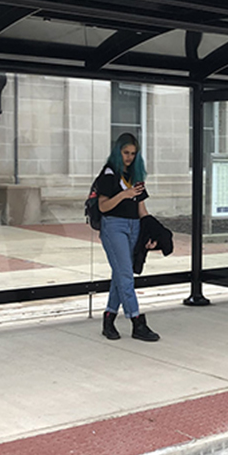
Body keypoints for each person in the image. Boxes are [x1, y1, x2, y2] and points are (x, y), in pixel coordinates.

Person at [96, 132, 160, 342]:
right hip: (114, 226)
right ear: (118, 151)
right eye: (125, 152)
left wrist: (151, 230)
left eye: (133, 153)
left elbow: (142, 208)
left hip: (133, 226)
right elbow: (103, 206)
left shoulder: (136, 174)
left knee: (120, 274)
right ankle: (136, 321)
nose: (129, 157)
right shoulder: (109, 173)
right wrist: (124, 194)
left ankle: (109, 317)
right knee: (125, 275)